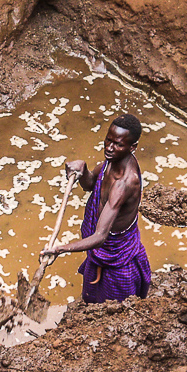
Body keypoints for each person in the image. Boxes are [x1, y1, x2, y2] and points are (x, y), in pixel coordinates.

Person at [42, 113, 152, 303]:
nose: (109, 148)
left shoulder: (124, 183)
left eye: (118, 144)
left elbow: (100, 237)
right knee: (94, 294)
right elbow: (91, 185)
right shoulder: (110, 162)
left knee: (116, 304)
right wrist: (82, 171)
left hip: (115, 250)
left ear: (132, 147)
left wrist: (60, 249)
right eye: (108, 140)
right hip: (104, 244)